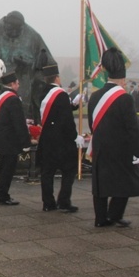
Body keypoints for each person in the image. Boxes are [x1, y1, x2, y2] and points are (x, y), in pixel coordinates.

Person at [87, 47, 139, 227]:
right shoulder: (125, 98)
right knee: (125, 181)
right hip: (120, 148)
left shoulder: (94, 96)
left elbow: (91, 124)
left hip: (100, 146)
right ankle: (115, 214)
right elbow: (132, 129)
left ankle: (100, 218)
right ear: (123, 79)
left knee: (100, 184)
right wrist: (137, 152)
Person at [36, 65, 84, 213]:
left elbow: (55, 112)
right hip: (62, 140)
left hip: (46, 138)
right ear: (57, 78)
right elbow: (66, 119)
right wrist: (76, 136)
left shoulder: (43, 93)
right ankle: (63, 201)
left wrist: (74, 105)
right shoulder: (61, 94)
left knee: (47, 173)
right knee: (69, 170)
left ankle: (48, 203)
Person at [0, 60, 32, 206]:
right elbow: (18, 123)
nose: (18, 85)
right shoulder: (13, 99)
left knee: (3, 167)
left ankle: (1, 192)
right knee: (8, 169)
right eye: (17, 83)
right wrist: (26, 142)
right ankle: (3, 195)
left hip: (0, 137)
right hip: (10, 141)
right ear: (12, 84)